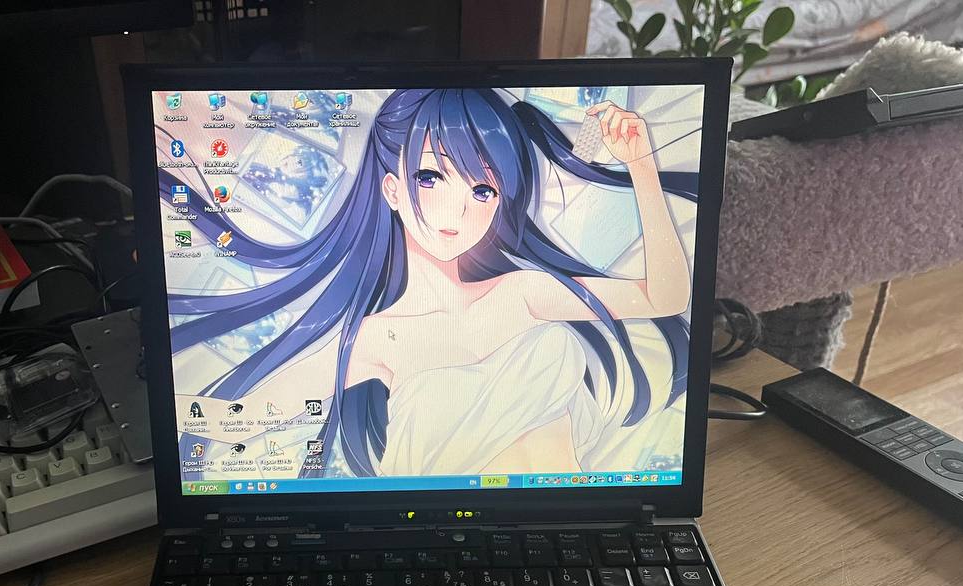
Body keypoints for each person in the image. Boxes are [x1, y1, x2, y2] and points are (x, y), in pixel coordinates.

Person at [166, 87, 698, 478]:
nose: (456, 211)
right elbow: (242, 417)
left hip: (555, 527)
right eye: (430, 177)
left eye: (484, 190)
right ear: (393, 190)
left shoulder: (522, 293)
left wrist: (641, 167)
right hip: (440, 541)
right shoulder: (376, 338)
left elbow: (666, 296)